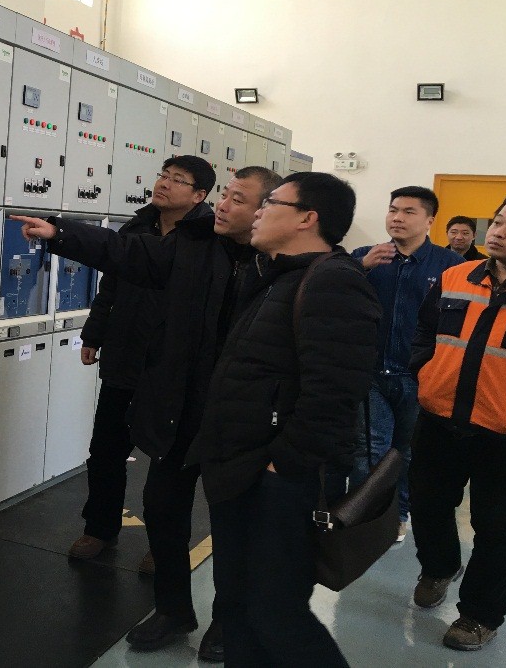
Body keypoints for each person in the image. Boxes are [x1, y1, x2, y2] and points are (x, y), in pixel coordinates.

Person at [13, 165, 283, 660]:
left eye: (237, 199)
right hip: (180, 405)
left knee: (236, 522)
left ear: (268, 211)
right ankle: (172, 609)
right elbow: (126, 255)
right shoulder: (193, 245)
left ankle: (231, 621)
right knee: (163, 508)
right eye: (224, 195)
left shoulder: (287, 268)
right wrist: (59, 232)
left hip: (240, 417)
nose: (223, 205)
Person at [188, 172, 381, 667]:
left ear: (306, 218)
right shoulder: (279, 275)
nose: (258, 212)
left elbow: (334, 393)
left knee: (276, 613)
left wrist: (283, 466)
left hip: (279, 480)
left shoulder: (333, 282)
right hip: (241, 468)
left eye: (271, 202)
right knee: (239, 606)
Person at [408, 190, 506, 651]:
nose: (498, 231)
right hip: (439, 418)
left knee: (496, 526)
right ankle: (440, 567)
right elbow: (425, 330)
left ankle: (480, 615)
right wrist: (424, 370)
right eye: (497, 221)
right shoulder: (454, 276)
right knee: (427, 505)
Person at [67, 157, 211, 564]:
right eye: (163, 175)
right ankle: (99, 528)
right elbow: (110, 288)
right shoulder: (136, 228)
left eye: (177, 180)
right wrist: (94, 334)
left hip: (172, 369)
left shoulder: (207, 239)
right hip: (125, 357)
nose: (164, 183)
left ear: (199, 195)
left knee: (169, 465)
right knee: (105, 452)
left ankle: (164, 545)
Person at [351, 188, 463, 541]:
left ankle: (398, 515)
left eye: (408, 211)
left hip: (420, 376)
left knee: (407, 451)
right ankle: (367, 520)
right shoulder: (364, 256)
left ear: (430, 221)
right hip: (370, 373)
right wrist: (360, 268)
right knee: (370, 449)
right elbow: (335, 294)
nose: (397, 217)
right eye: (393, 209)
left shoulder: (450, 266)